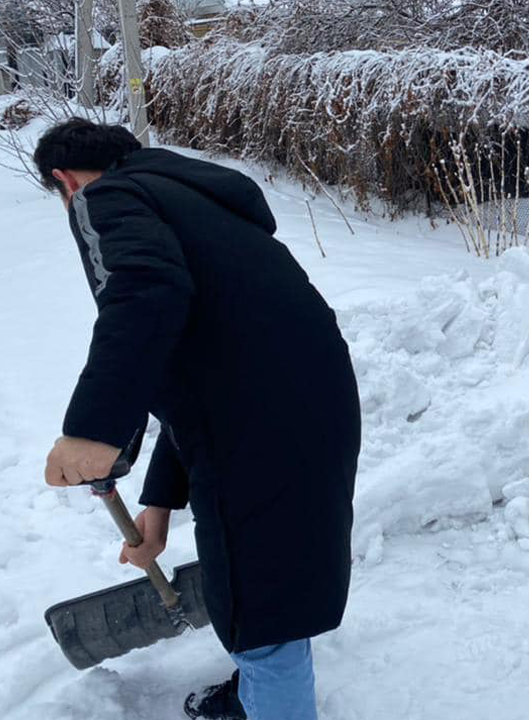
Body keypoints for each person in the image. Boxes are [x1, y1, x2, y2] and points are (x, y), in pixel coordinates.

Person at [36, 119, 361, 720]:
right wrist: (157, 506)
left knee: (263, 600)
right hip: (305, 399)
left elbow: (145, 293)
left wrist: (94, 429)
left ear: (64, 180)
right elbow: (198, 369)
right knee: (278, 570)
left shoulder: (105, 198)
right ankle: (260, 693)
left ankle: (276, 700)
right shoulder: (196, 202)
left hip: (256, 419)